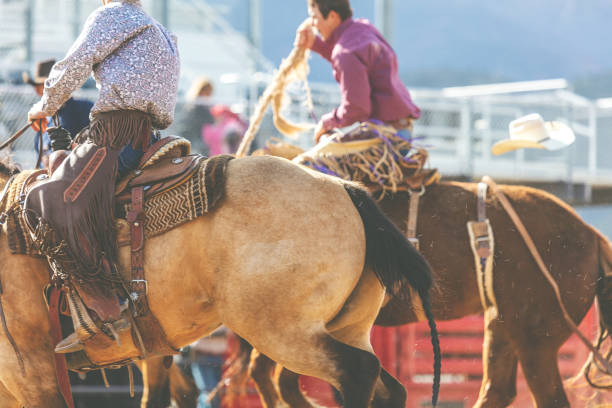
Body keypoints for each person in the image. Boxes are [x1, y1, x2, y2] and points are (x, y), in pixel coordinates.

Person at [25, 0, 180, 353]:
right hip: (146, 135)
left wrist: (43, 106)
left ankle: (104, 310)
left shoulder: (113, 14)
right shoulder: (159, 30)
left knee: (46, 199)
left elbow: (75, 62)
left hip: (116, 134)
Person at [295, 0, 420, 144]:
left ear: (332, 17)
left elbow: (356, 109)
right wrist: (315, 44)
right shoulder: (363, 28)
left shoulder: (344, 53)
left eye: (315, 17)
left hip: (386, 139)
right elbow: (351, 63)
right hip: (402, 131)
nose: (313, 24)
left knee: (315, 160)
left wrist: (326, 122)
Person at [23, 59, 94, 168]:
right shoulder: (42, 122)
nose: (48, 90)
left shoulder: (84, 109)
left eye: (51, 85)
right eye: (44, 87)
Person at [175, 77, 215, 154]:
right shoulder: (196, 108)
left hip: (197, 143)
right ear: (200, 91)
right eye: (207, 92)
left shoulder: (192, 106)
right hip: (195, 145)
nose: (209, 96)